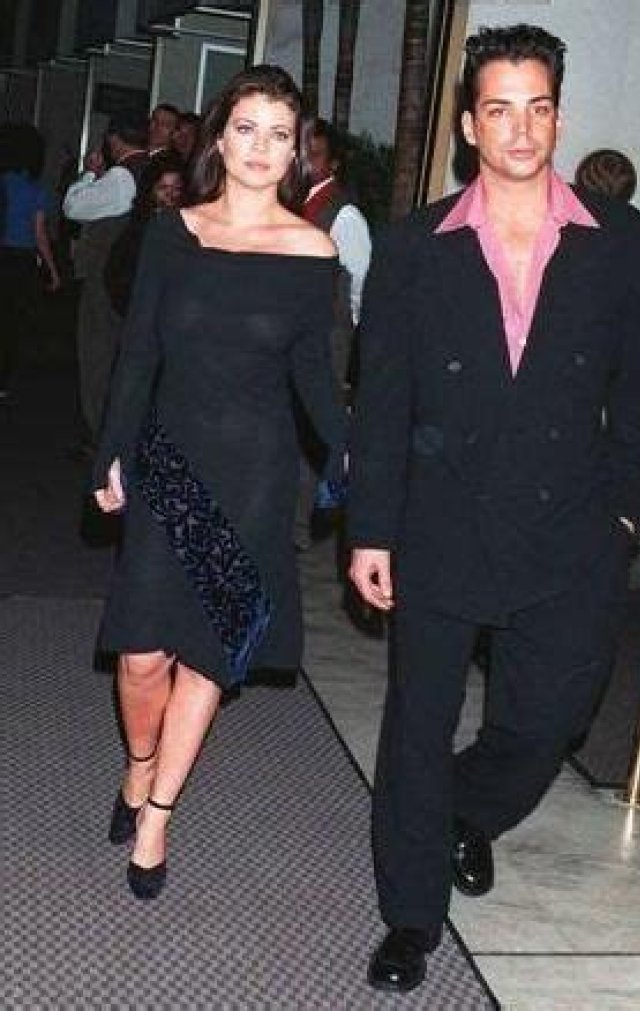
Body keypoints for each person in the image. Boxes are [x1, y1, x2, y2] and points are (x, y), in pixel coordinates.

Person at [348, 23, 640, 992]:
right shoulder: (416, 246)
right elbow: (386, 399)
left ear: (558, 118)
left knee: (551, 716)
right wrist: (371, 528)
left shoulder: (625, 245)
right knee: (418, 724)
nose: (520, 129)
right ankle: (411, 917)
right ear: (469, 125)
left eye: (538, 108)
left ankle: (464, 811)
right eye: (500, 109)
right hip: (442, 521)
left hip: (570, 528)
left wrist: (623, 518)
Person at [92, 65, 345, 901]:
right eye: (246, 128)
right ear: (219, 138)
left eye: (280, 134)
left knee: (205, 656)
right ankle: (138, 764)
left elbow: (317, 380)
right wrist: (110, 453)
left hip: (255, 479)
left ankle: (158, 815)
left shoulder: (313, 253)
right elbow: (138, 355)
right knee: (141, 656)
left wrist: (356, 462)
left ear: (296, 151)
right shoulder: (174, 233)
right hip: (169, 464)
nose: (261, 148)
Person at [294, 118, 371, 550]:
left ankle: (302, 528)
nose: (308, 161)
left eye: (317, 154)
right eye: (303, 152)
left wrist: (348, 338)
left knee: (314, 429)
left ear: (334, 164)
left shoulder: (344, 215)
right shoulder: (290, 202)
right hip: (293, 334)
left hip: (327, 338)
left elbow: (361, 283)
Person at [63, 111, 149, 451]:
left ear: (114, 140)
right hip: (132, 276)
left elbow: (74, 207)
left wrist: (88, 174)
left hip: (107, 273)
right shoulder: (147, 170)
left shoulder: (121, 176)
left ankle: (99, 432)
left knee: (97, 352)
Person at [0, 122, 60, 401]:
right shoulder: (35, 190)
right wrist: (53, 270)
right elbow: (40, 235)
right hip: (20, 260)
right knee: (11, 321)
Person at [103, 151, 186, 317]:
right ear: (150, 189)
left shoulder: (188, 227)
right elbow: (117, 273)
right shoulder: (139, 228)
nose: (170, 195)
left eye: (176, 188)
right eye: (163, 188)